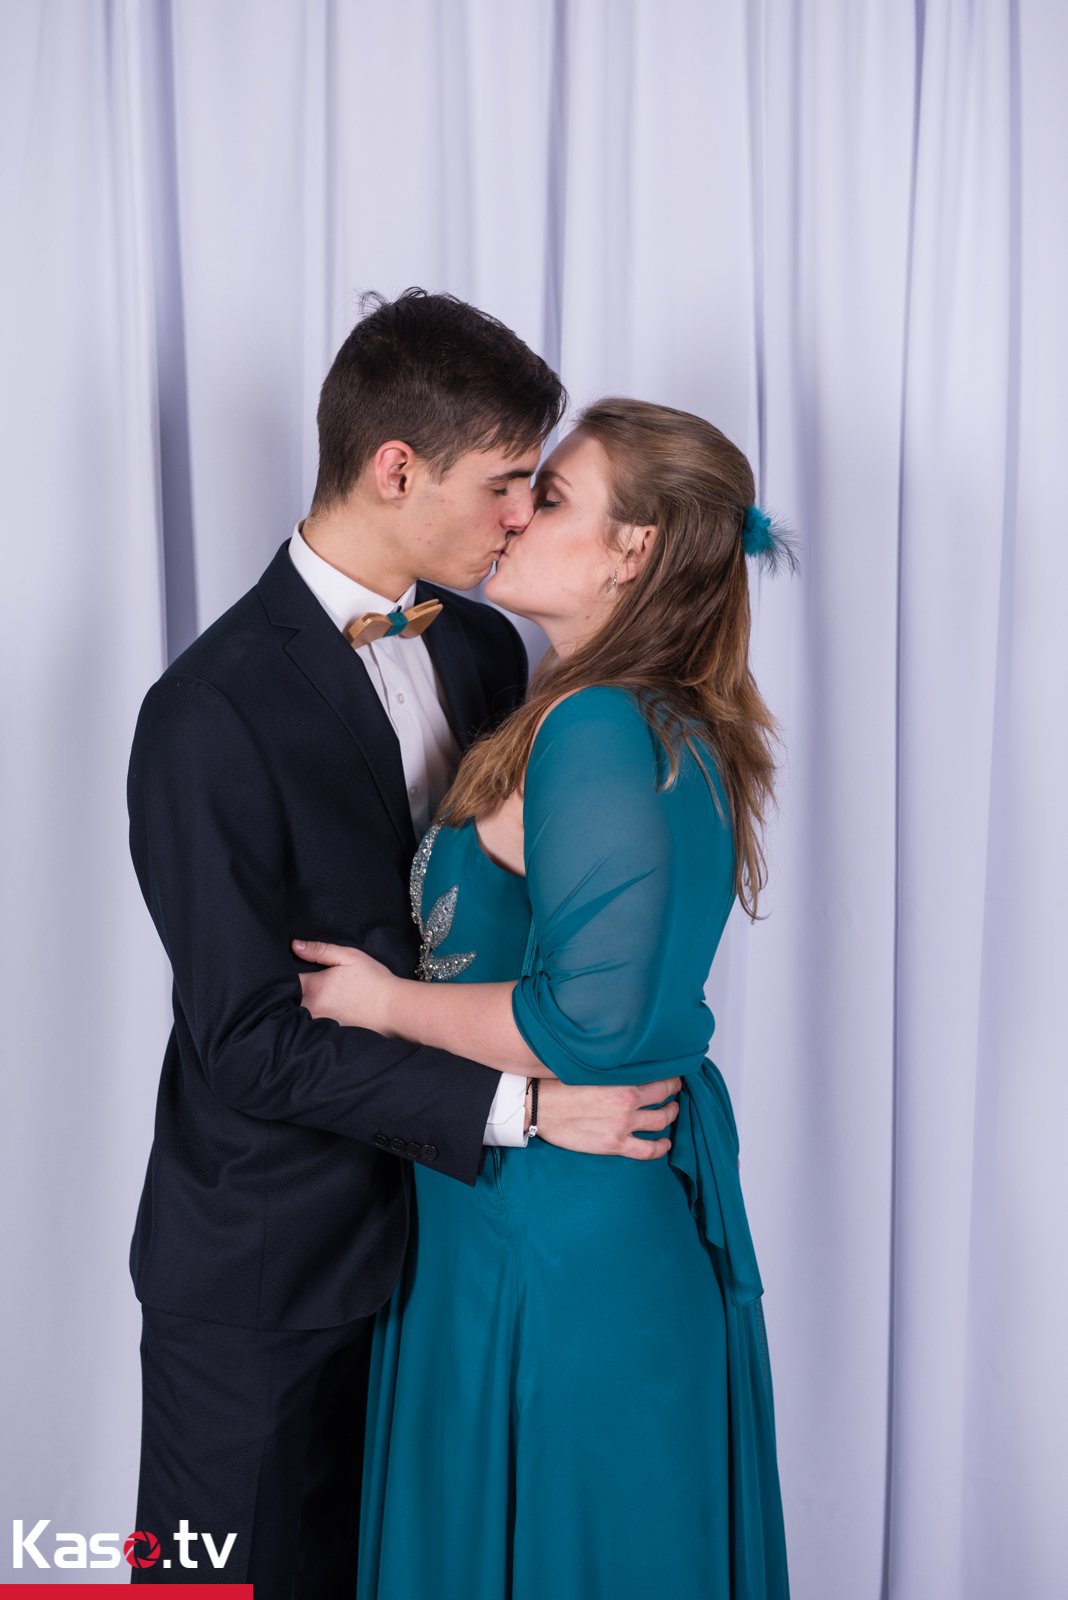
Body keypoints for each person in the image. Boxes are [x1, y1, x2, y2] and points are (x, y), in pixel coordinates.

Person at [125, 294, 682, 1597]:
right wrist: (522, 1109)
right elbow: (251, 1041)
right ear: (395, 470)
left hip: (454, 1259)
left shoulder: (484, 647)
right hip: (268, 1273)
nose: (520, 517)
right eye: (504, 483)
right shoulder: (204, 713)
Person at [295, 397, 794, 1599]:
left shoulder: (604, 724)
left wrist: (380, 1003)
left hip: (558, 1235)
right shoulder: (600, 708)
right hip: (519, 1209)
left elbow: (588, 1024)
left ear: (635, 548)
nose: (515, 513)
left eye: (553, 495)